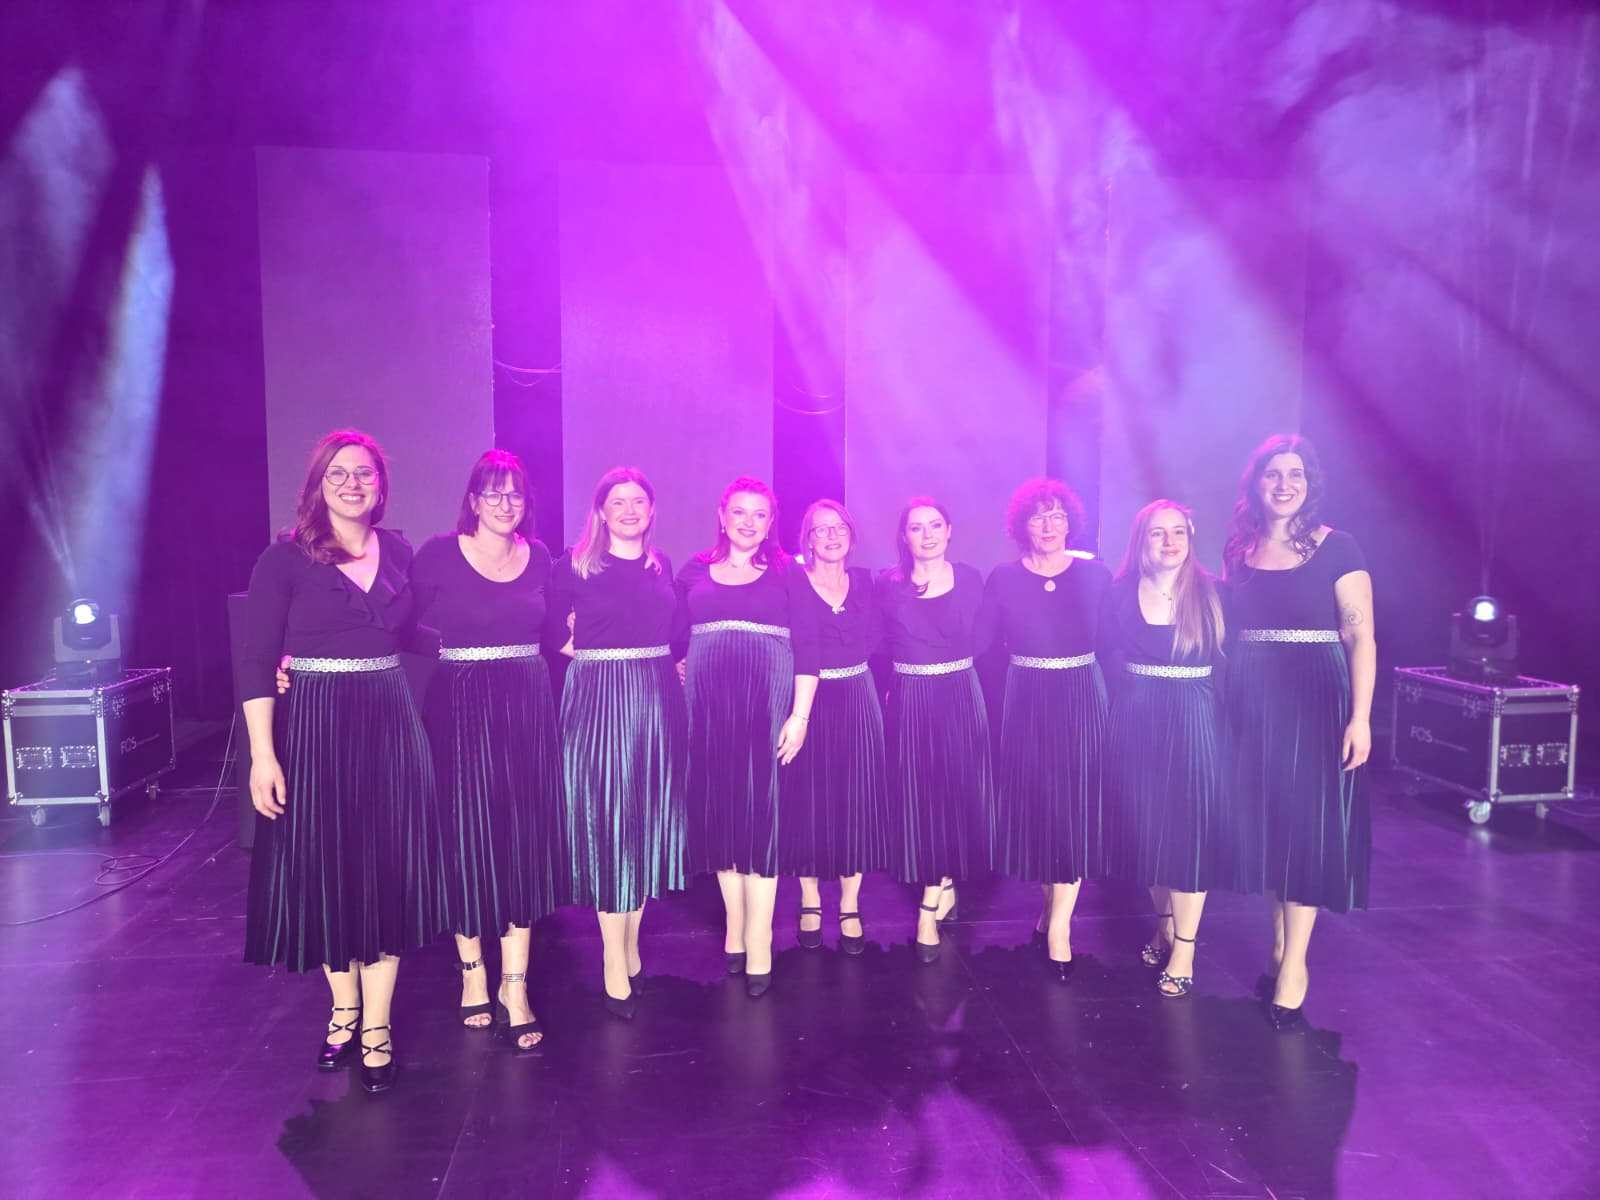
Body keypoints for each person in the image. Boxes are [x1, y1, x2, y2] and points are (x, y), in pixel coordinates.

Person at [240, 429, 437, 1094]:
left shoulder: (401, 552)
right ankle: (343, 1008)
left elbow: (416, 635)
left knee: (384, 872)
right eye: (339, 474)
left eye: (365, 474)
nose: (353, 484)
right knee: (328, 868)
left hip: (388, 723)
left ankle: (376, 1024)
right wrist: (263, 755)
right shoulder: (285, 559)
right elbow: (256, 660)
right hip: (316, 727)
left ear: (381, 486)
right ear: (318, 485)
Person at [1220, 434, 1375, 1028]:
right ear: (1256, 484)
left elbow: (1360, 636)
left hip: (1315, 698)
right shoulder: (1240, 548)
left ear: (1309, 484)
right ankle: (1280, 944)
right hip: (1254, 698)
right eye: (1273, 474)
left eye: (1295, 474)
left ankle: (1294, 966)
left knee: (1307, 829)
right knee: (1272, 827)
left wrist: (1360, 717)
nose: (1284, 484)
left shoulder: (1339, 547)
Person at [411, 450, 563, 1053]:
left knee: (521, 840)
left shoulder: (541, 557)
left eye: (515, 494)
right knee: (466, 835)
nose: (505, 503)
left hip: (527, 706)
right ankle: (473, 970)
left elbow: (560, 634)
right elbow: (393, 624)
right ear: (472, 500)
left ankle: (514, 985)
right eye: (493, 493)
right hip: (460, 706)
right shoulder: (436, 555)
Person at [549, 466, 688, 1020]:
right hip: (600, 699)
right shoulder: (573, 565)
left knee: (645, 822)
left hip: (656, 700)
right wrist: (592, 660)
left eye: (638, 501)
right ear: (601, 512)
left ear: (651, 511)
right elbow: (547, 632)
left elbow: (674, 632)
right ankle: (612, 958)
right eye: (618, 502)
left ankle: (630, 946)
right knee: (609, 824)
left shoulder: (661, 565)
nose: (629, 510)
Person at [678, 477, 817, 996]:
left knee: (760, 819)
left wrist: (799, 716)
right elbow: (669, 633)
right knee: (721, 817)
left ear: (770, 521)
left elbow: (809, 646)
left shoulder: (787, 571)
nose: (749, 522)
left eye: (760, 514)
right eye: (740, 511)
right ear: (722, 514)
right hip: (709, 710)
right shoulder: (694, 569)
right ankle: (734, 929)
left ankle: (759, 939)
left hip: (766, 708)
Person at [982, 479, 1110, 982]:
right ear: (1023, 526)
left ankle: (1059, 928)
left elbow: (1116, 640)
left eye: (1057, 515)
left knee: (1073, 807)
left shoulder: (1095, 574)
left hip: (1080, 695)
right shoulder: (1003, 578)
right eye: (1038, 516)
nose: (1049, 525)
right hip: (1027, 697)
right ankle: (1049, 911)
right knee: (1040, 809)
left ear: (1070, 522)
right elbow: (984, 645)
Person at [1099, 499, 1225, 998]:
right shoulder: (1118, 593)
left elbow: (1235, 666)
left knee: (1188, 835)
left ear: (1190, 537)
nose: (1170, 542)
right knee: (1149, 835)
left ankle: (1185, 950)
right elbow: (1102, 656)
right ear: (1140, 541)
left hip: (1193, 719)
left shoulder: (1215, 593)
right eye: (1158, 533)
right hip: (1136, 718)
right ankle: (1165, 927)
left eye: (1178, 532)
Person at [876, 497, 993, 963]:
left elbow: (986, 639)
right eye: (916, 527)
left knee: (953, 797)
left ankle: (928, 906)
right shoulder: (888, 585)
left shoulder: (970, 579)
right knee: (921, 799)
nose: (926, 535)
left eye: (935, 525)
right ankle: (940, 884)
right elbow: (877, 645)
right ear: (904, 537)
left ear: (949, 530)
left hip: (960, 695)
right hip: (911, 699)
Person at [777, 500, 888, 955]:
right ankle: (809, 900)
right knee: (808, 801)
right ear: (807, 539)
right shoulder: (791, 580)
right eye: (820, 530)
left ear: (851, 535)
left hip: (858, 698)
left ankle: (849, 904)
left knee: (854, 800)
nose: (831, 536)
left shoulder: (867, 582)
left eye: (839, 527)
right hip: (809, 701)